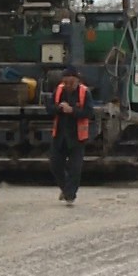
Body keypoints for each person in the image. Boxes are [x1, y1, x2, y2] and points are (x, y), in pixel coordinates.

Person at [51, 66, 91, 206]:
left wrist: (72, 110)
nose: (68, 86)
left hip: (77, 137)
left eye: (71, 83)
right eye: (65, 82)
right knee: (55, 165)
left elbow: (88, 112)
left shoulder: (85, 92)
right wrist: (59, 108)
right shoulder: (59, 90)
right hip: (60, 136)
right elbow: (49, 108)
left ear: (77, 81)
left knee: (75, 168)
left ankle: (70, 195)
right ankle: (65, 188)